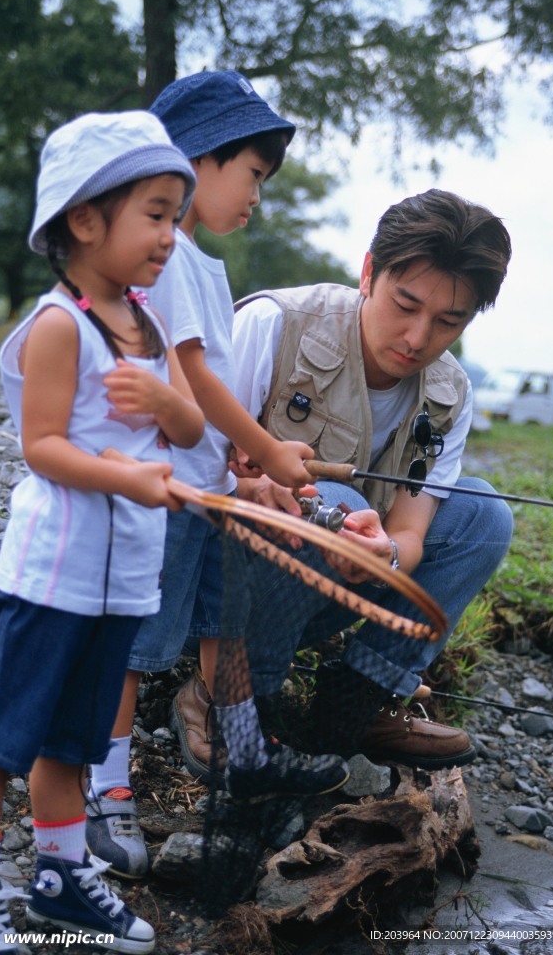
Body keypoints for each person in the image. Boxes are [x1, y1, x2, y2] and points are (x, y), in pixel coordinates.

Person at [0, 110, 206, 955]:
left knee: (76, 739)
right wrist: (130, 476)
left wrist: (170, 407)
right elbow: (43, 446)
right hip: (57, 570)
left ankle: (59, 878)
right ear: (85, 220)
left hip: (122, 578)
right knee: (4, 735)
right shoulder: (61, 326)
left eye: (174, 215)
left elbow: (190, 433)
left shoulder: (149, 326)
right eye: (155, 214)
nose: (171, 236)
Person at [85, 71, 349, 879]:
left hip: (206, 490)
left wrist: (241, 459)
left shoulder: (203, 267)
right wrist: (268, 450)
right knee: (131, 645)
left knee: (222, 620)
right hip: (159, 491)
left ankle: (242, 753)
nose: (258, 198)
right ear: (198, 159)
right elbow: (192, 377)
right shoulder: (167, 258)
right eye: (254, 176)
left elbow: (210, 391)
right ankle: (105, 789)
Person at [228, 188, 515, 769]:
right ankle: (232, 697)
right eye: (404, 304)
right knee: (331, 497)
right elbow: (180, 474)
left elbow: (410, 534)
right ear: (368, 272)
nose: (417, 338)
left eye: (448, 320)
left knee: (483, 516)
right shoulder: (273, 325)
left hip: (333, 586)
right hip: (220, 595)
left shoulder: (450, 393)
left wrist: (382, 553)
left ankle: (358, 704)